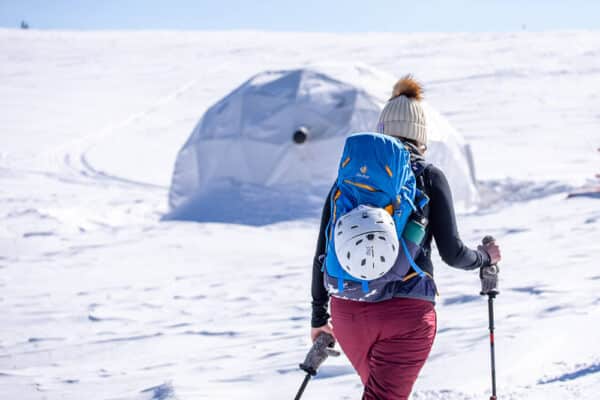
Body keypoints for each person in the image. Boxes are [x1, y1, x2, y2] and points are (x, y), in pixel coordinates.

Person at [310, 76, 502, 399]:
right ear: (421, 136)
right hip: (406, 318)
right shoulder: (429, 176)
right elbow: (453, 252)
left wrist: (319, 316)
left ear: (383, 130)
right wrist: (486, 257)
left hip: (347, 312)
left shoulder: (348, 181)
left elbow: (322, 251)